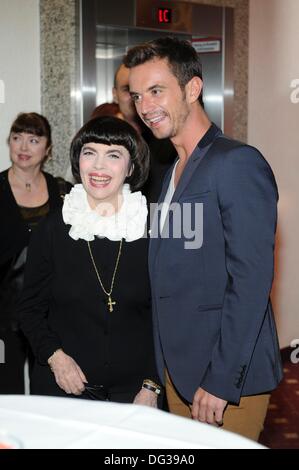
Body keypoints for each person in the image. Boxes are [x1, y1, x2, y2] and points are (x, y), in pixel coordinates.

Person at [124, 37, 283, 441]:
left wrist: (221, 379)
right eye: (138, 95)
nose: (145, 106)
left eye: (156, 91)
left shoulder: (236, 163)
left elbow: (250, 282)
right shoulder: (168, 173)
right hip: (176, 374)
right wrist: (155, 377)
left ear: (192, 89)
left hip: (224, 381)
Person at [18, 116, 162, 406]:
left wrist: (151, 385)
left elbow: (165, 317)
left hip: (136, 394)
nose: (98, 167)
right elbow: (29, 309)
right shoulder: (54, 227)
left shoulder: (152, 227)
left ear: (131, 166)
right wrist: (55, 358)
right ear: (78, 161)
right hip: (63, 389)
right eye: (89, 153)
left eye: (113, 155)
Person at [0, 112, 72, 394]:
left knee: (51, 395)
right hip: (3, 315)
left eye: (34, 139)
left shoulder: (63, 192)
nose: (23, 147)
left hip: (50, 313)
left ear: (48, 148)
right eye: (17, 138)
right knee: (6, 398)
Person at [113, 63, 176, 202]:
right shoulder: (99, 143)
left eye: (151, 91)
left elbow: (184, 216)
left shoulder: (173, 146)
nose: (138, 100)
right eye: (128, 91)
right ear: (114, 95)